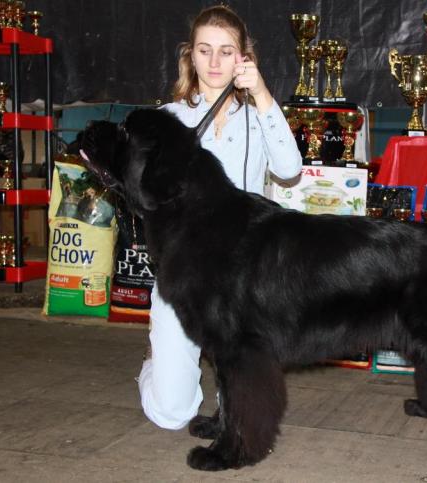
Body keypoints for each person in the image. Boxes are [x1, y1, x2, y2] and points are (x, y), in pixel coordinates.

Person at [137, 5, 302, 430]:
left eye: (226, 52)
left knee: (240, 395)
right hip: (186, 278)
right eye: (205, 50)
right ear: (189, 55)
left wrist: (263, 95)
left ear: (244, 57)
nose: (214, 62)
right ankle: (156, 365)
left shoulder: (260, 116)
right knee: (174, 415)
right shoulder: (170, 119)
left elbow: (288, 169)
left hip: (241, 280)